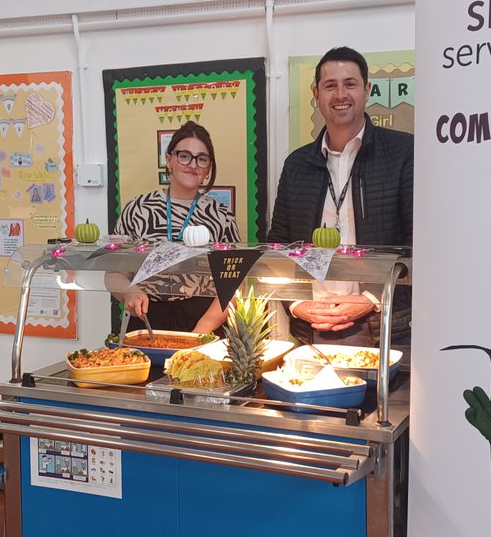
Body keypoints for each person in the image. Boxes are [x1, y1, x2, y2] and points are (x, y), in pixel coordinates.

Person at [267, 46, 412, 349]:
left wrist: (370, 298)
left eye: (350, 84)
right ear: (316, 93)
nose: (340, 94)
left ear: (366, 90)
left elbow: (417, 244)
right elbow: (278, 246)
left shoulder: (403, 153)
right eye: (330, 85)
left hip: (381, 324)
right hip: (311, 325)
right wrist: (296, 304)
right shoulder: (297, 164)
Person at [113, 121, 240, 333]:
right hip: (146, 317)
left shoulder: (221, 216)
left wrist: (202, 329)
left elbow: (234, 283)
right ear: (169, 159)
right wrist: (129, 292)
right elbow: (113, 273)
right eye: (184, 156)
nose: (193, 164)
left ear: (208, 168)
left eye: (202, 159)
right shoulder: (138, 209)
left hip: (204, 318)